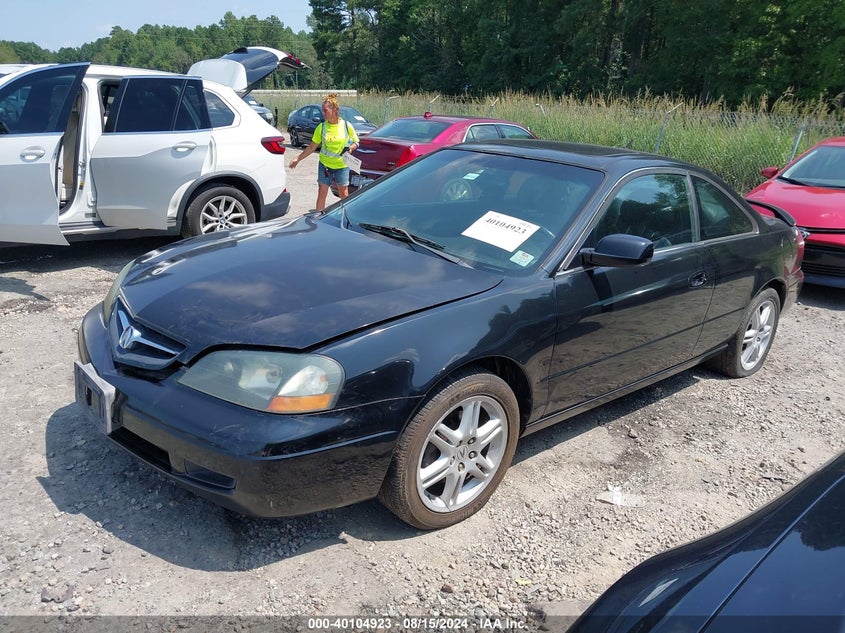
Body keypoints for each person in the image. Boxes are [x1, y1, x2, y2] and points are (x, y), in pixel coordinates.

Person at [289, 93, 360, 211]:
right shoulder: (321, 127)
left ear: (334, 110)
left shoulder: (346, 126)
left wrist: (351, 148)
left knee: (344, 194)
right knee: (322, 192)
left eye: (325, 110)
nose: (323, 113)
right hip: (325, 166)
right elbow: (311, 147)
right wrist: (298, 159)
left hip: (341, 166)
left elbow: (356, 141)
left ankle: (346, 220)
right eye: (322, 110)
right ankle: (318, 218)